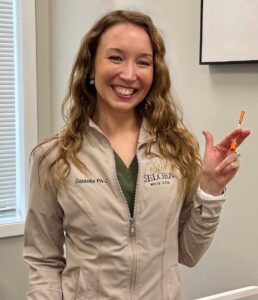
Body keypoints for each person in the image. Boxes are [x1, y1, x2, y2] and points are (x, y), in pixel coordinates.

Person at [23, 10, 250, 300]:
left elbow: (188, 253)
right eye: (116, 58)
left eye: (143, 62)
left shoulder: (175, 150)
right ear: (91, 67)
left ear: (154, 74)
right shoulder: (54, 158)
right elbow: (43, 260)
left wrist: (210, 188)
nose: (129, 74)